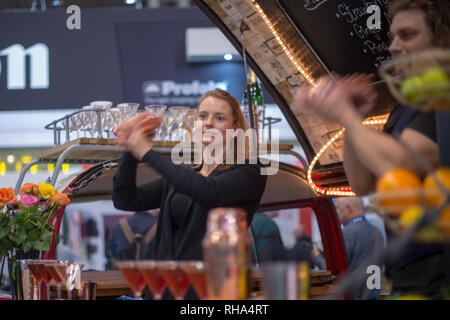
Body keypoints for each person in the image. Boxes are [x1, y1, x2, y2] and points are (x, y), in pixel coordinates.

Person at [291, 0, 450, 299]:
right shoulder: (406, 108)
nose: (392, 47)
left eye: (407, 35)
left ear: (440, 40)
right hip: (407, 270)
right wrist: (355, 118)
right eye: (392, 37)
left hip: (438, 269)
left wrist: (343, 112)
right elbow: (362, 183)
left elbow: (400, 164)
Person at [112, 88, 267, 299]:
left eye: (219, 118)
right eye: (203, 116)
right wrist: (131, 150)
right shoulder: (184, 176)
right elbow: (126, 199)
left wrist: (147, 152)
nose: (208, 123)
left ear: (235, 129)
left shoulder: (250, 170)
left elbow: (208, 191)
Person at [335, 197, 385, 300]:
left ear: (348, 208)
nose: (336, 212)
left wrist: (316, 256)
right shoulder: (377, 232)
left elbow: (336, 270)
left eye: (338, 207)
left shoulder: (348, 233)